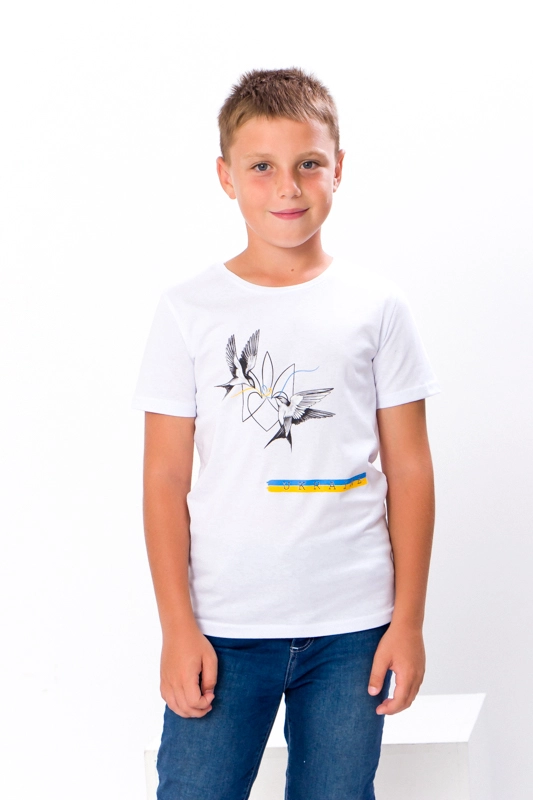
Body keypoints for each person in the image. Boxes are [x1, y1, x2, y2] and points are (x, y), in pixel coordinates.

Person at [131, 67, 442, 800]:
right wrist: (177, 626)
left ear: (338, 168)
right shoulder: (188, 310)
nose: (288, 187)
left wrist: (407, 623)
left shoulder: (378, 307)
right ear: (225, 177)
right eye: (261, 167)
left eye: (308, 163)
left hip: (353, 628)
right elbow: (164, 478)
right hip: (225, 624)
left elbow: (410, 469)